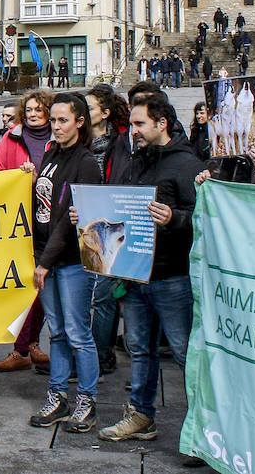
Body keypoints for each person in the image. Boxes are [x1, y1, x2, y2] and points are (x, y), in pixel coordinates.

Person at [88, 91, 203, 448]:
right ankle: (140, 413)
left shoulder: (187, 164)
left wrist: (175, 218)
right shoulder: (138, 159)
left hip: (172, 276)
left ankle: (203, 425)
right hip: (136, 272)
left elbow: (204, 217)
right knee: (140, 347)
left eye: (139, 124)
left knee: (185, 352)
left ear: (161, 123)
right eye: (133, 124)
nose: (133, 130)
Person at [27, 92, 103, 433]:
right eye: (53, 120)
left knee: (77, 332)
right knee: (56, 332)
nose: (55, 126)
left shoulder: (85, 162)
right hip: (46, 256)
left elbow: (67, 220)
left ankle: (87, 399)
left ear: (80, 122)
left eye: (62, 120)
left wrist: (45, 261)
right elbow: (45, 203)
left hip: (69, 260)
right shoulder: (52, 154)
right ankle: (57, 395)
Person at [0, 90, 55, 374]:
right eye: (28, 109)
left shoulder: (59, 138)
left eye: (39, 109)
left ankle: (31, 342)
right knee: (21, 284)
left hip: (50, 222)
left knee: (42, 287)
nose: (32, 114)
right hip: (19, 221)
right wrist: (18, 176)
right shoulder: (10, 138)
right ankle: (20, 348)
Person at [84, 84, 132, 374]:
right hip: (87, 222)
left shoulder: (121, 143)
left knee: (104, 296)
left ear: (104, 113)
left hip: (112, 225)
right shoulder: (81, 143)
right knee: (91, 297)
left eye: (89, 108)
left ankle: (101, 357)